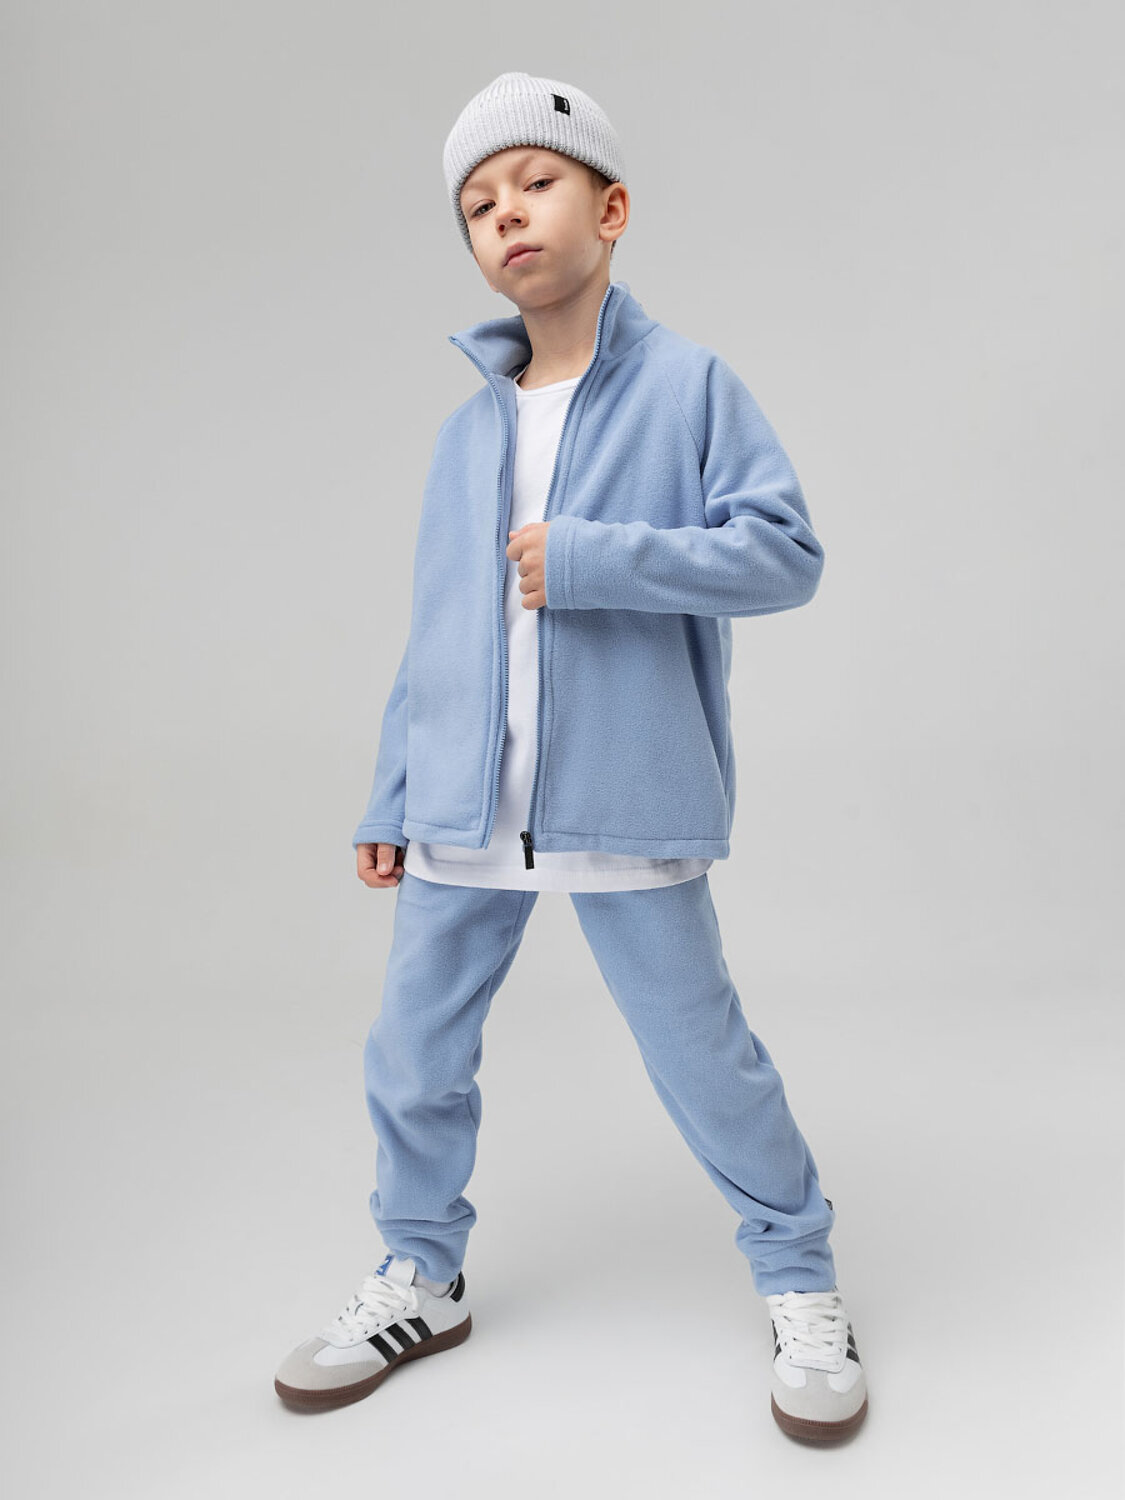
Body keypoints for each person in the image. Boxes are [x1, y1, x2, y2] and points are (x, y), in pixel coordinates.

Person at [274, 71, 868, 1445]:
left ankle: (799, 1277)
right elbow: (437, 632)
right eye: (478, 204)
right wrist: (392, 790)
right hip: (462, 804)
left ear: (610, 209)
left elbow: (784, 556)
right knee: (412, 1055)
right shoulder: (465, 432)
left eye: (534, 183)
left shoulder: (691, 386)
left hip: (623, 798)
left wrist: (597, 560)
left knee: (703, 1059)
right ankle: (421, 1275)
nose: (506, 215)